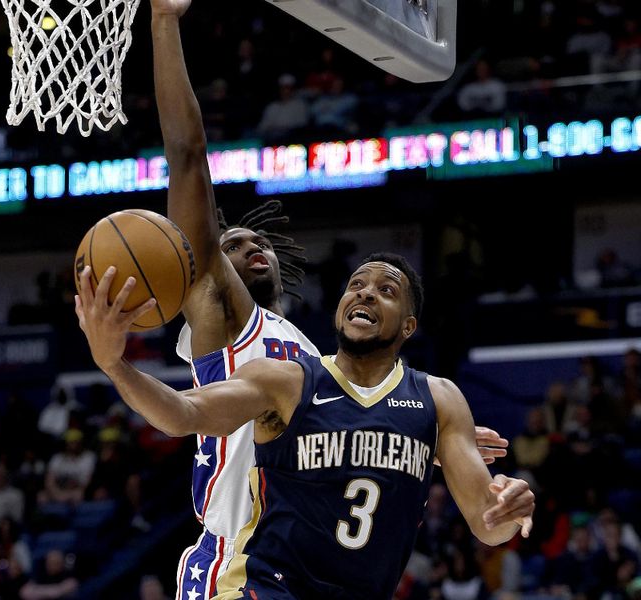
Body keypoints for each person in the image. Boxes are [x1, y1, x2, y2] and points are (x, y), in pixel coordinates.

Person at [141, 0, 509, 597]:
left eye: (257, 240)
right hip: (235, 567)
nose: (250, 245)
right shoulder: (223, 319)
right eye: (231, 244)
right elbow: (187, 160)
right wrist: (164, 24)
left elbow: (341, 434)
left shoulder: (309, 359)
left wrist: (430, 443)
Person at [74, 253, 535, 599]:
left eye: (386, 290)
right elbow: (182, 414)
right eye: (356, 284)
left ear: (409, 326)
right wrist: (115, 365)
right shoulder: (284, 380)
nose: (366, 293)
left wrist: (509, 510)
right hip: (269, 588)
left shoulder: (439, 399)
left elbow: (487, 523)